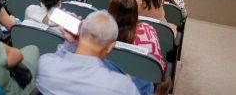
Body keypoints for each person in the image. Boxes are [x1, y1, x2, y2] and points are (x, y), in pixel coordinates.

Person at [37, 11, 171, 95]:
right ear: (110, 47)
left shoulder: (45, 64)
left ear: (80, 32)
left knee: (106, 64)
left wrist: (71, 43)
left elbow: (58, 57)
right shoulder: (122, 87)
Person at [108, 0, 166, 70]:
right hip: (148, 79)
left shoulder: (103, 36)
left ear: (111, 13)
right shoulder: (149, 30)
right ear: (135, 13)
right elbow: (158, 68)